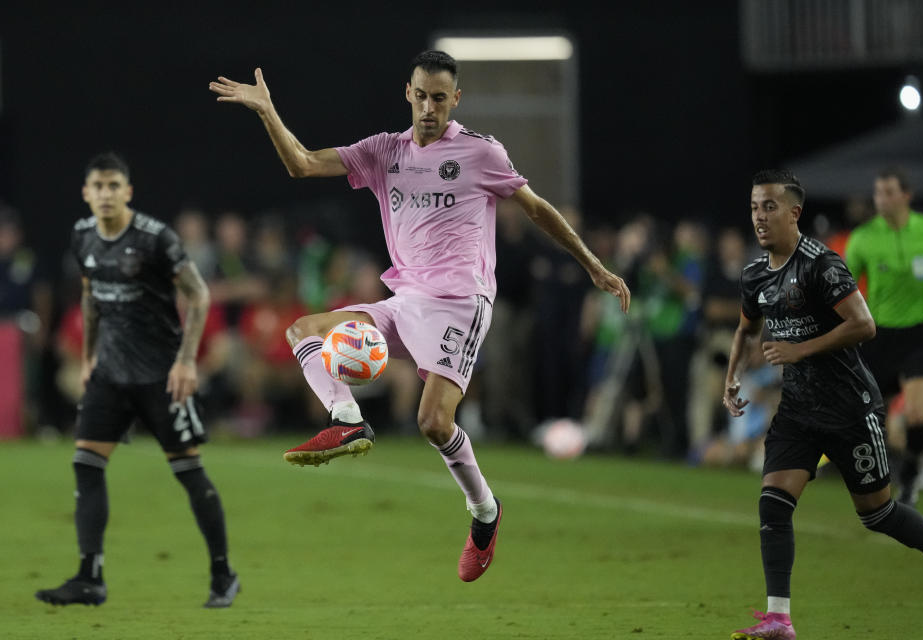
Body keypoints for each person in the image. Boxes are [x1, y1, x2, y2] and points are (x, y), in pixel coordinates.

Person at [209, 50, 630, 581]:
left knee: (433, 423)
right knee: (303, 330)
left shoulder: (481, 152)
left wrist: (593, 264)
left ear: (455, 100)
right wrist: (268, 112)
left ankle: (485, 512)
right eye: (420, 95)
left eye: (439, 97)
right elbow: (302, 163)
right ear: (407, 93)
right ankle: (347, 421)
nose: (428, 107)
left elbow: (537, 207)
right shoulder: (385, 151)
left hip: (461, 301)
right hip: (404, 298)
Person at [723, 170, 923, 639]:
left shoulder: (821, 265)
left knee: (878, 514)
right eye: (754, 207)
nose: (759, 217)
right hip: (798, 411)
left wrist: (799, 350)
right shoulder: (755, 274)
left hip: (851, 408)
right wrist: (732, 376)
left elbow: (864, 324)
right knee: (773, 503)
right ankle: (779, 618)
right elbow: (747, 327)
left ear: (794, 213)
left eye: (769, 206)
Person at [35, 153, 239, 608]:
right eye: (97, 186)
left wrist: (186, 362)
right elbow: (91, 296)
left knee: (188, 471)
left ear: (127, 191)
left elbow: (200, 295)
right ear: (85, 192)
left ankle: (223, 572)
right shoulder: (82, 236)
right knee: (86, 465)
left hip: (161, 377)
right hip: (110, 374)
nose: (105, 194)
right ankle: (90, 577)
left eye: (113, 186)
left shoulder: (154, 239)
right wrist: (88, 356)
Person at [845, 167, 923, 506]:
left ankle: (909, 479)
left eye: (889, 192)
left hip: (921, 334)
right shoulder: (863, 238)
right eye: (878, 193)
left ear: (906, 195)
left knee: (916, 414)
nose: (882, 199)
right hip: (880, 336)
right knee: (867, 417)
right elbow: (846, 287)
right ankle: (891, 468)